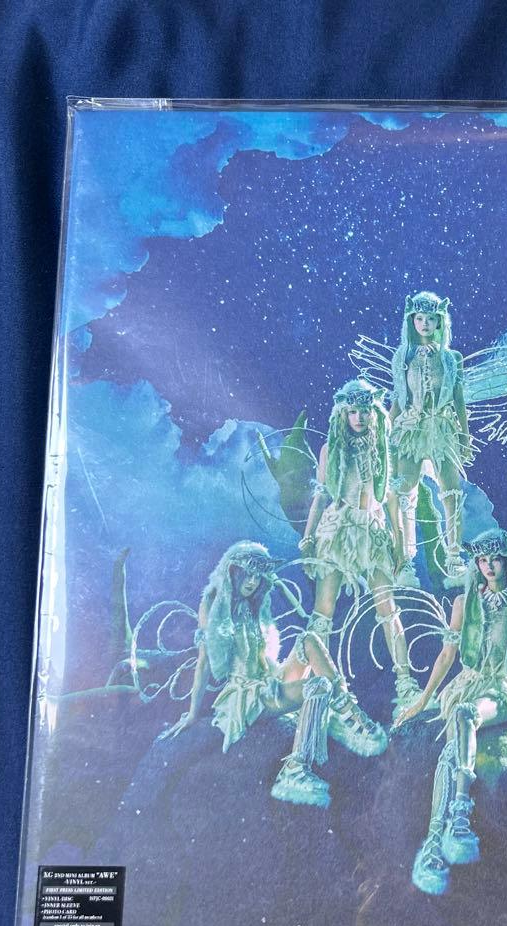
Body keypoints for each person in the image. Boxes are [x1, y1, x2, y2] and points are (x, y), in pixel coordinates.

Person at [394, 529, 507, 895]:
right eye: (481, 560)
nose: (489, 566)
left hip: (501, 689)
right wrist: (422, 700)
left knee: (465, 715)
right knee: (451, 747)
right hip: (466, 683)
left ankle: (460, 811)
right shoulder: (464, 603)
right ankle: (436, 841)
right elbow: (447, 655)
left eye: (495, 559)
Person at [159, 541, 387, 808]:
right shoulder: (212, 604)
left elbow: (263, 655)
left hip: (269, 680)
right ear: (232, 572)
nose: (252, 581)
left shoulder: (253, 603)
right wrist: (192, 714)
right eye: (247, 574)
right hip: (247, 698)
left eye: (258, 576)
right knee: (317, 687)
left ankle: (348, 712)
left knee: (309, 639)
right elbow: (204, 664)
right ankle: (294, 770)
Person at [298, 379, 422, 718]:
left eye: (365, 411)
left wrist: (400, 542)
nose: (359, 418)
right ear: (343, 413)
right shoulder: (331, 449)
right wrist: (308, 539)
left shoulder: (382, 447)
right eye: (353, 412)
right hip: (338, 530)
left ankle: (405, 683)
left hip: (373, 530)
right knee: (323, 609)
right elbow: (321, 495)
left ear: (374, 413)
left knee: (388, 607)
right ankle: (311, 683)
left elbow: (392, 499)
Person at [388, 291, 473, 583]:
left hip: (442, 428)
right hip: (411, 428)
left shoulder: (451, 358)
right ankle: (405, 561)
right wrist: (387, 432)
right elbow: (399, 397)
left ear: (439, 322)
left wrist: (465, 434)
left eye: (431, 319)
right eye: (420, 318)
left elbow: (459, 399)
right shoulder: (404, 356)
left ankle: (454, 558)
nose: (425, 323)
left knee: (451, 492)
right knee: (404, 492)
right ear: (412, 321)